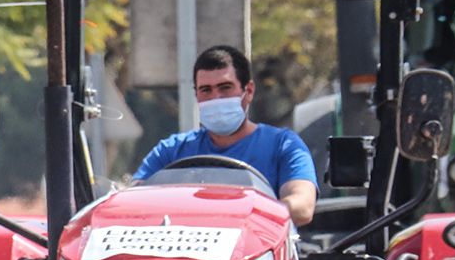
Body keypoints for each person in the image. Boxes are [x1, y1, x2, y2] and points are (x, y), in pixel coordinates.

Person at [134, 44, 318, 227]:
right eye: (206, 90)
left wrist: (245, 212)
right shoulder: (171, 151)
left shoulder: (283, 145)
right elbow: (133, 201)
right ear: (196, 95)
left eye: (225, 87)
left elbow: (302, 207)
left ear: (249, 91)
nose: (216, 98)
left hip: (259, 252)